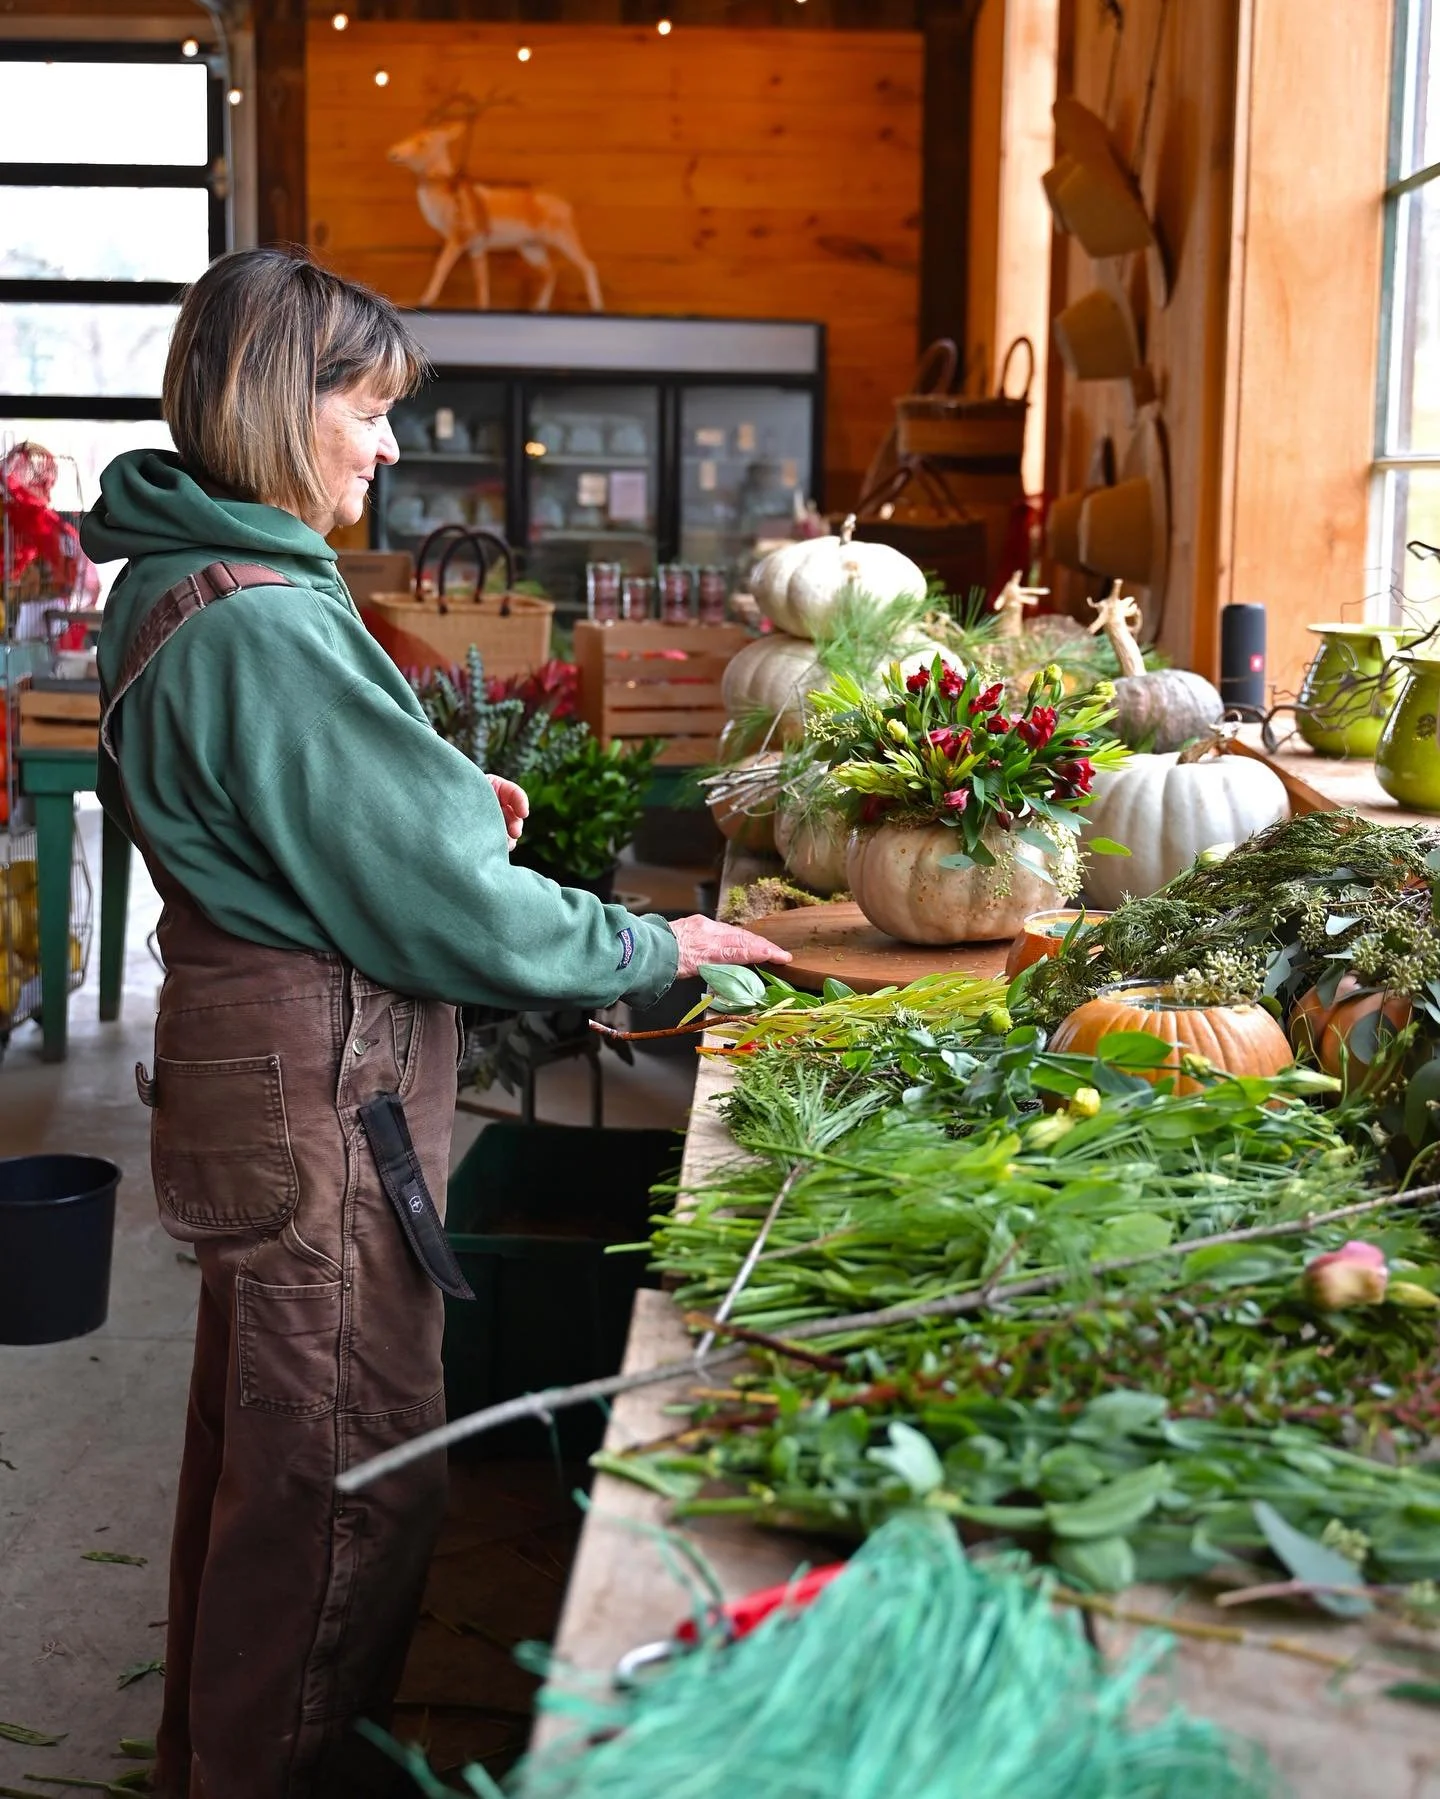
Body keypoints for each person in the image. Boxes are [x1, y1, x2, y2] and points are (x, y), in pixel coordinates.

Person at [81, 246, 788, 1799]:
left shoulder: (186, 576)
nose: (391, 445)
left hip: (257, 1078)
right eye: (369, 407)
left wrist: (435, 808)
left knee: (262, 1466)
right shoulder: (257, 615)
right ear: (283, 404)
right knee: (343, 1485)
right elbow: (450, 914)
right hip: (314, 1093)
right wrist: (646, 944)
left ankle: (213, 1764)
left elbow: (299, 826)